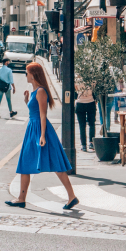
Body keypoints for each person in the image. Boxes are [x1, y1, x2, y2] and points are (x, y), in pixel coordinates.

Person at [6, 62, 79, 210]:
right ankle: (21, 198)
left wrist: (43, 135)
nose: (25, 75)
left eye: (27, 73)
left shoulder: (41, 91)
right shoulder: (34, 91)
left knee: (57, 164)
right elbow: (34, 111)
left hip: (40, 130)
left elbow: (43, 115)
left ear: (33, 74)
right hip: (33, 129)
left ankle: (72, 196)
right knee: (25, 162)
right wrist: (27, 101)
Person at [75, 79, 96, 152]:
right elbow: (94, 89)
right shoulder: (92, 79)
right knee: (92, 124)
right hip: (91, 102)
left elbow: (75, 89)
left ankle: (83, 145)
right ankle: (91, 143)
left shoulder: (77, 80)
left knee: (82, 125)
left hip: (80, 102)